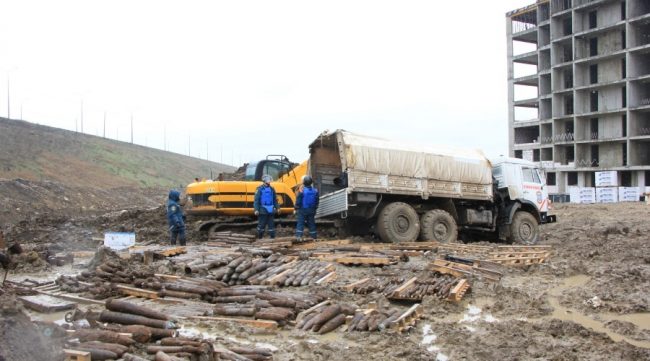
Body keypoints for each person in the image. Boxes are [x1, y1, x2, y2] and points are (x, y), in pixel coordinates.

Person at [295, 175, 319, 241]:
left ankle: (298, 237)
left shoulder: (302, 191)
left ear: (304, 182)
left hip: (303, 210)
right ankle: (314, 237)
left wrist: (296, 208)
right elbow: (317, 201)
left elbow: (298, 201)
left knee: (300, 223)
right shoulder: (315, 191)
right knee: (311, 223)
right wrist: (315, 208)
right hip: (312, 210)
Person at [254, 174, 279, 239]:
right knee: (261, 225)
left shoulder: (272, 189)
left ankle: (272, 238)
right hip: (262, 210)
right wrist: (256, 210)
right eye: (268, 180)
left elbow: (275, 200)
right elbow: (256, 200)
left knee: (271, 225)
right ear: (264, 181)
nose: (269, 181)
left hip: (271, 210)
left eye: (269, 180)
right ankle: (260, 237)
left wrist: (278, 208)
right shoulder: (259, 189)